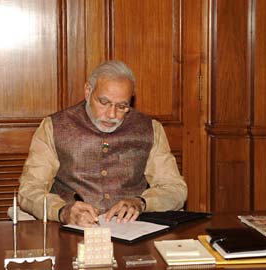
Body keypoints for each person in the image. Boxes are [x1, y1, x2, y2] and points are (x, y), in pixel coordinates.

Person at [18, 60, 187, 227]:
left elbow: (175, 189)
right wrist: (63, 211)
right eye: (104, 102)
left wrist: (141, 202)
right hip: (71, 229)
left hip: (132, 229)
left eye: (122, 106)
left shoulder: (149, 129)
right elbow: (29, 190)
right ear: (87, 91)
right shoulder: (54, 127)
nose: (112, 114)